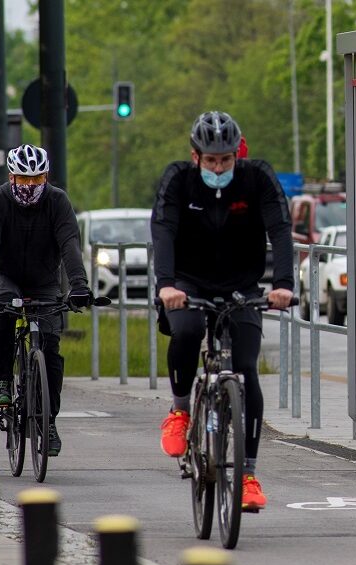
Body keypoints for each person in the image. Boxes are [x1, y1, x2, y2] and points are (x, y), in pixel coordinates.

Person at [151, 110, 294, 512]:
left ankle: (247, 474)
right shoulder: (178, 180)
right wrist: (166, 285)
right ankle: (180, 411)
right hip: (186, 283)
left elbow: (280, 229)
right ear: (195, 156)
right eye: (211, 160)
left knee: (246, 371)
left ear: (237, 155)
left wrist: (284, 285)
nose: (218, 167)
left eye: (226, 159)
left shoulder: (257, 178)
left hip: (240, 286)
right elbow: (163, 229)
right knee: (188, 331)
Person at [0, 144, 93, 456]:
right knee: (4, 311)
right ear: (11, 176)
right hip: (5, 275)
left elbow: (69, 245)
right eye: (23, 180)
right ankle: (1, 379)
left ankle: (48, 420)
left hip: (43, 280)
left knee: (50, 351)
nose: (29, 187)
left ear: (46, 177)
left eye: (36, 180)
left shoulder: (57, 201)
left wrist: (79, 285)